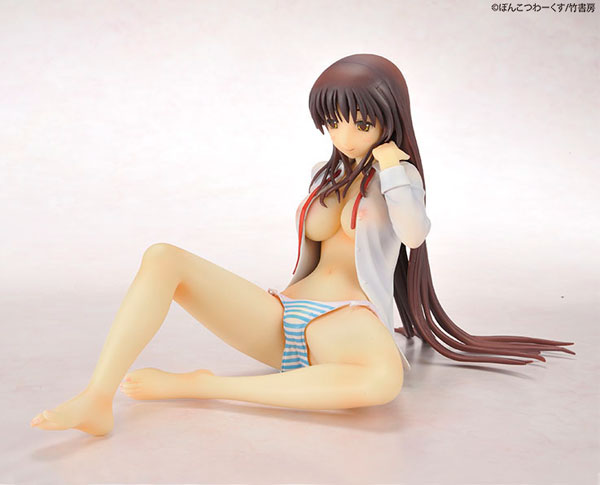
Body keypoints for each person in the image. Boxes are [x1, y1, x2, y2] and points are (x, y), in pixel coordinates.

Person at [30, 54, 575, 436]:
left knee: (382, 381)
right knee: (162, 257)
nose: (344, 137)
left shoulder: (399, 178)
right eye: (333, 124)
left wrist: (394, 170)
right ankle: (96, 397)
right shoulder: (325, 173)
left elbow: (414, 234)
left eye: (360, 123)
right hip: (284, 312)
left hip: (347, 322)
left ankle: (204, 387)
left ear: (390, 118)